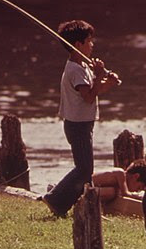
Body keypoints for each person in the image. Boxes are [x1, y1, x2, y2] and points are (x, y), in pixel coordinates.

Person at [41, 19, 121, 217]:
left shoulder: (82, 66)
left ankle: (86, 207)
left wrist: (100, 73)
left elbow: (91, 88)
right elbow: (88, 96)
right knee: (84, 169)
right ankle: (56, 199)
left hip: (82, 123)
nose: (92, 45)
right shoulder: (76, 70)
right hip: (78, 125)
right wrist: (107, 83)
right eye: (89, 41)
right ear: (78, 45)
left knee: (85, 169)